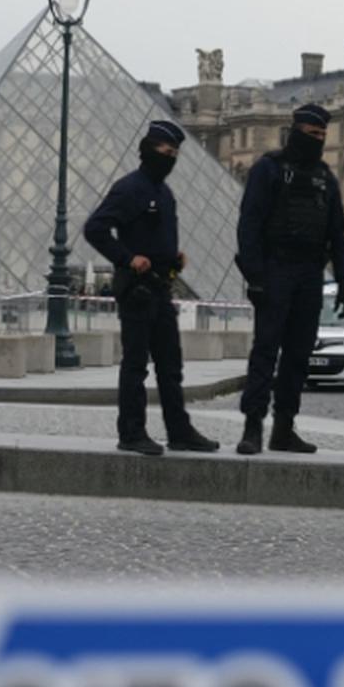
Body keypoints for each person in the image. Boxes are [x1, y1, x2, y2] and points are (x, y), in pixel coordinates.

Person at [83, 120, 219, 456]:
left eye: (174, 153)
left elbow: (156, 238)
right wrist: (128, 259)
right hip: (138, 289)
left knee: (171, 365)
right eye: (165, 151)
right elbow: (95, 228)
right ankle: (131, 432)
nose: (170, 158)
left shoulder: (165, 193)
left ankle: (179, 431)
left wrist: (174, 259)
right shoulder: (129, 188)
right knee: (136, 365)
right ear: (148, 149)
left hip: (161, 287)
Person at [234, 103, 344, 455]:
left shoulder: (325, 178)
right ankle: (253, 426)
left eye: (321, 135)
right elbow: (249, 226)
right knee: (265, 351)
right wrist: (255, 277)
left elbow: (337, 234)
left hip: (310, 274)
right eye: (311, 133)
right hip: (275, 269)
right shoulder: (268, 169)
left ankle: (284, 427)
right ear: (295, 130)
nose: (317, 140)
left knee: (299, 355)